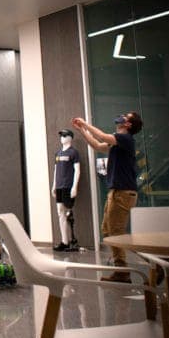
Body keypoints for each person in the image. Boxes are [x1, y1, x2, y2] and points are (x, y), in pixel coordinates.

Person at [72, 111, 143, 283]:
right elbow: (97, 145)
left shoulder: (125, 140)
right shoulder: (117, 143)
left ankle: (125, 270)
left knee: (116, 233)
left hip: (123, 193)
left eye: (126, 117)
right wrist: (82, 130)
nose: (121, 117)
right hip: (117, 192)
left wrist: (85, 123)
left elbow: (102, 136)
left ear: (129, 125)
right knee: (108, 230)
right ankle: (123, 268)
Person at [51, 128, 80, 251]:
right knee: (59, 212)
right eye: (61, 135)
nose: (62, 137)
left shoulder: (73, 153)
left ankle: (73, 240)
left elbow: (77, 170)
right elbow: (55, 170)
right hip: (59, 186)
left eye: (64, 135)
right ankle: (64, 241)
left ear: (70, 137)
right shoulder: (58, 153)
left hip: (68, 186)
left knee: (68, 211)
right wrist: (53, 185)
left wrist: (75, 186)